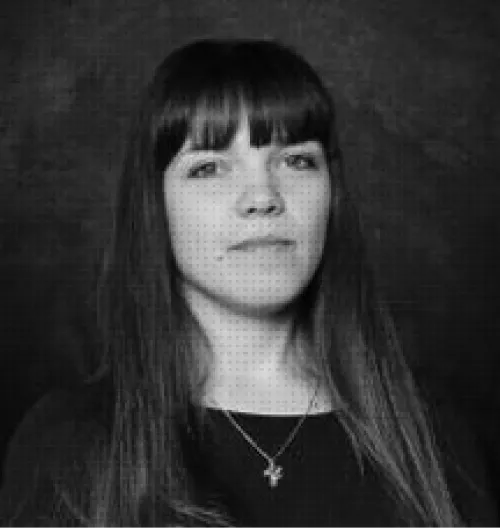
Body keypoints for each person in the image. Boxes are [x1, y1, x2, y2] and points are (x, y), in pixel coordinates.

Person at [0, 37, 497, 528]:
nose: (262, 197)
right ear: (155, 206)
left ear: (332, 194)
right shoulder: (66, 444)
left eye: (296, 160)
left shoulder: (435, 436)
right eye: (209, 167)